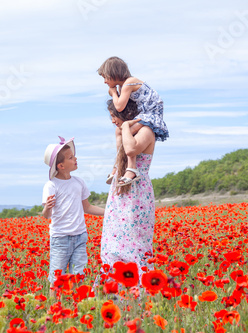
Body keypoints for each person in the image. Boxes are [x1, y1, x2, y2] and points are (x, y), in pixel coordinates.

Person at [100, 99, 156, 279]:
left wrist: (126, 126)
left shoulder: (147, 131)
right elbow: (121, 144)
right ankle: (113, 290)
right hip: (119, 191)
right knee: (113, 240)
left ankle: (138, 293)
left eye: (113, 116)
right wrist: (125, 126)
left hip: (137, 193)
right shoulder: (121, 131)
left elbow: (131, 149)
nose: (112, 121)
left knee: (135, 241)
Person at [42, 136, 105, 292]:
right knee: (57, 278)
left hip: (80, 236)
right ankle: (53, 308)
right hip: (60, 238)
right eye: (71, 157)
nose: (75, 158)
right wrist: (47, 208)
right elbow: (46, 215)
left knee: (78, 275)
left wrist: (109, 212)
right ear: (61, 165)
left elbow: (88, 207)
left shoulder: (79, 182)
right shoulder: (51, 186)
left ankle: (77, 305)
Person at [98, 56, 168, 187]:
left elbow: (119, 106)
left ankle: (131, 169)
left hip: (150, 113)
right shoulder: (123, 87)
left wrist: (113, 93)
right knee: (119, 132)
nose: (105, 82)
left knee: (127, 133)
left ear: (114, 73)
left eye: (105, 77)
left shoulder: (129, 83)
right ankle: (117, 166)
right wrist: (114, 91)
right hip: (143, 113)